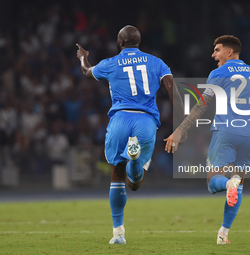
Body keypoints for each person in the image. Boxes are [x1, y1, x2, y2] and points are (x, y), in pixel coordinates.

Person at [164, 35, 250, 244]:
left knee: (213, 182)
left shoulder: (218, 73)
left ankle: (227, 185)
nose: (213, 54)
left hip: (226, 131)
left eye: (217, 50)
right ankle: (223, 233)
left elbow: (202, 105)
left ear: (230, 52)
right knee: (239, 183)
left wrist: (180, 129)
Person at [76, 25, 184, 244]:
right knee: (134, 183)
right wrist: (181, 125)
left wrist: (83, 57)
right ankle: (134, 162)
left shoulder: (110, 62)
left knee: (116, 174)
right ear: (139, 42)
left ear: (120, 42)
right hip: (144, 121)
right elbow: (172, 89)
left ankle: (118, 234)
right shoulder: (156, 62)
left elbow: (87, 72)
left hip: (119, 120)